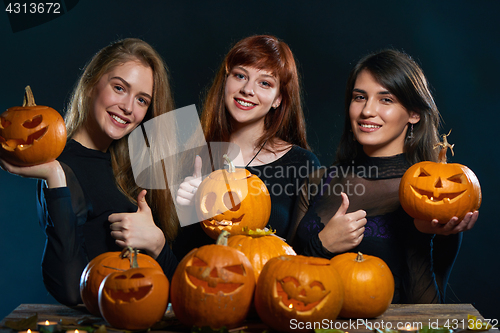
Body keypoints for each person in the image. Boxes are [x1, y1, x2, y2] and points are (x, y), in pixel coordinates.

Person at [288, 49, 478, 304]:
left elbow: (428, 314)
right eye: (359, 97)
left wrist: (420, 234)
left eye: (385, 100)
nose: (367, 110)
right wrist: (322, 245)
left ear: (414, 113)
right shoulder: (317, 182)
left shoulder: (435, 196)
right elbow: (281, 280)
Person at [0, 38, 179, 306]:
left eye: (142, 100)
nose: (129, 107)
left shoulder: (125, 168)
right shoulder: (64, 167)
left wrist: (157, 243)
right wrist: (55, 177)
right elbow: (72, 291)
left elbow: (181, 290)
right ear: (91, 83)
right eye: (119, 88)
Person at [174, 35, 320, 257]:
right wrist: (189, 212)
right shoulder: (191, 157)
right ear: (226, 81)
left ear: (278, 98)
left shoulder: (302, 164)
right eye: (240, 75)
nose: (248, 89)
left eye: (264, 83)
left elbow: (303, 259)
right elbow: (178, 262)